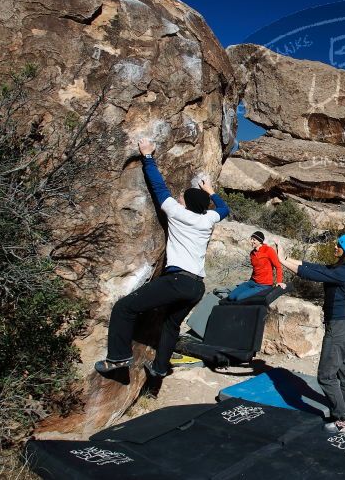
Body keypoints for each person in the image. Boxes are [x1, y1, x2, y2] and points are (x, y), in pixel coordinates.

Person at [95, 138, 229, 379]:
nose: (178, 198)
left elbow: (158, 187)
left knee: (124, 308)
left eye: (182, 197)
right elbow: (224, 210)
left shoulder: (178, 214)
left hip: (177, 281)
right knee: (171, 324)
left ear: (186, 204)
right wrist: (211, 191)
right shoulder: (207, 219)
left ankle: (118, 358)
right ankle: (159, 368)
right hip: (197, 286)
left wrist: (147, 156)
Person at [277, 233, 345, 433]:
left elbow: (311, 274)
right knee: (344, 371)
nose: (334, 246)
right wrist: (286, 258)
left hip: (341, 328)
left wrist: (281, 261)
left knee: (325, 375)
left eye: (339, 245)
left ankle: (342, 419)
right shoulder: (341, 268)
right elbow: (315, 267)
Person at [223, 231, 285, 303]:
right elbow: (255, 269)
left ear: (260, 241)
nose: (251, 241)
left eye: (254, 239)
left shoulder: (268, 250)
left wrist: (279, 282)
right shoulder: (252, 253)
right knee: (231, 297)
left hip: (263, 285)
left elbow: (278, 267)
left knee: (239, 298)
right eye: (251, 239)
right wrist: (250, 280)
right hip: (252, 282)